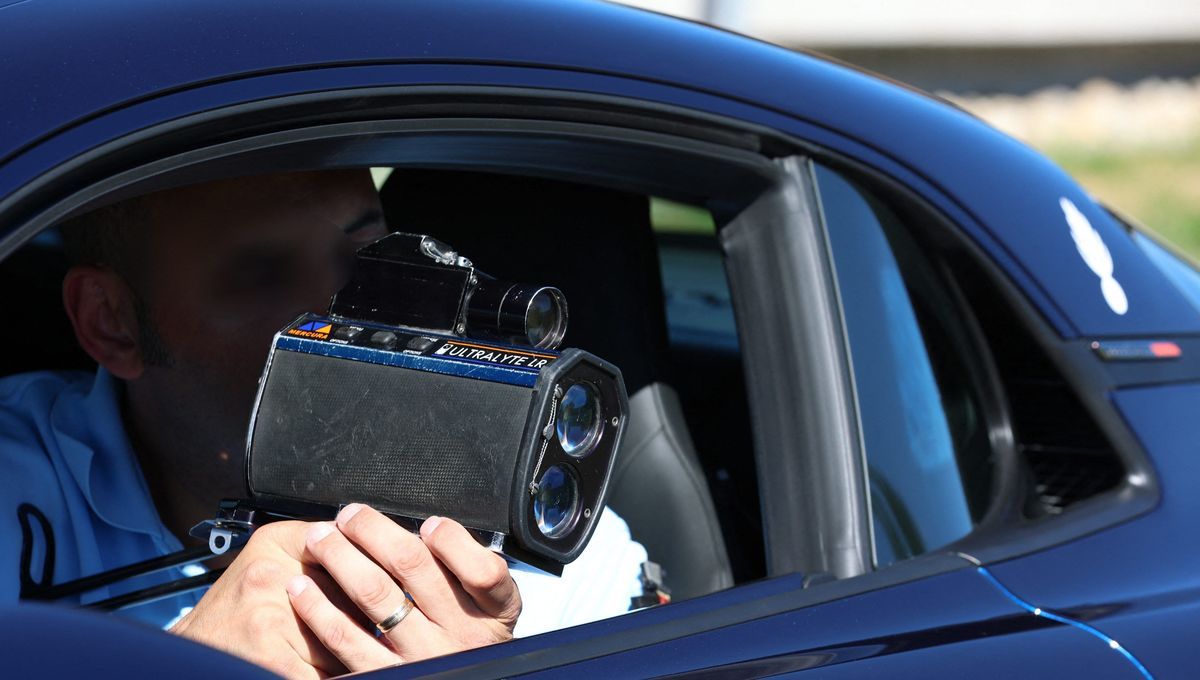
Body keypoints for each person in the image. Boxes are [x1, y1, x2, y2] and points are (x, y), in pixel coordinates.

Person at [0, 169, 646, 678]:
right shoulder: (13, 492)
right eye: (258, 272)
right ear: (111, 321)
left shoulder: (554, 546)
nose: (339, 311)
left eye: (369, 256)